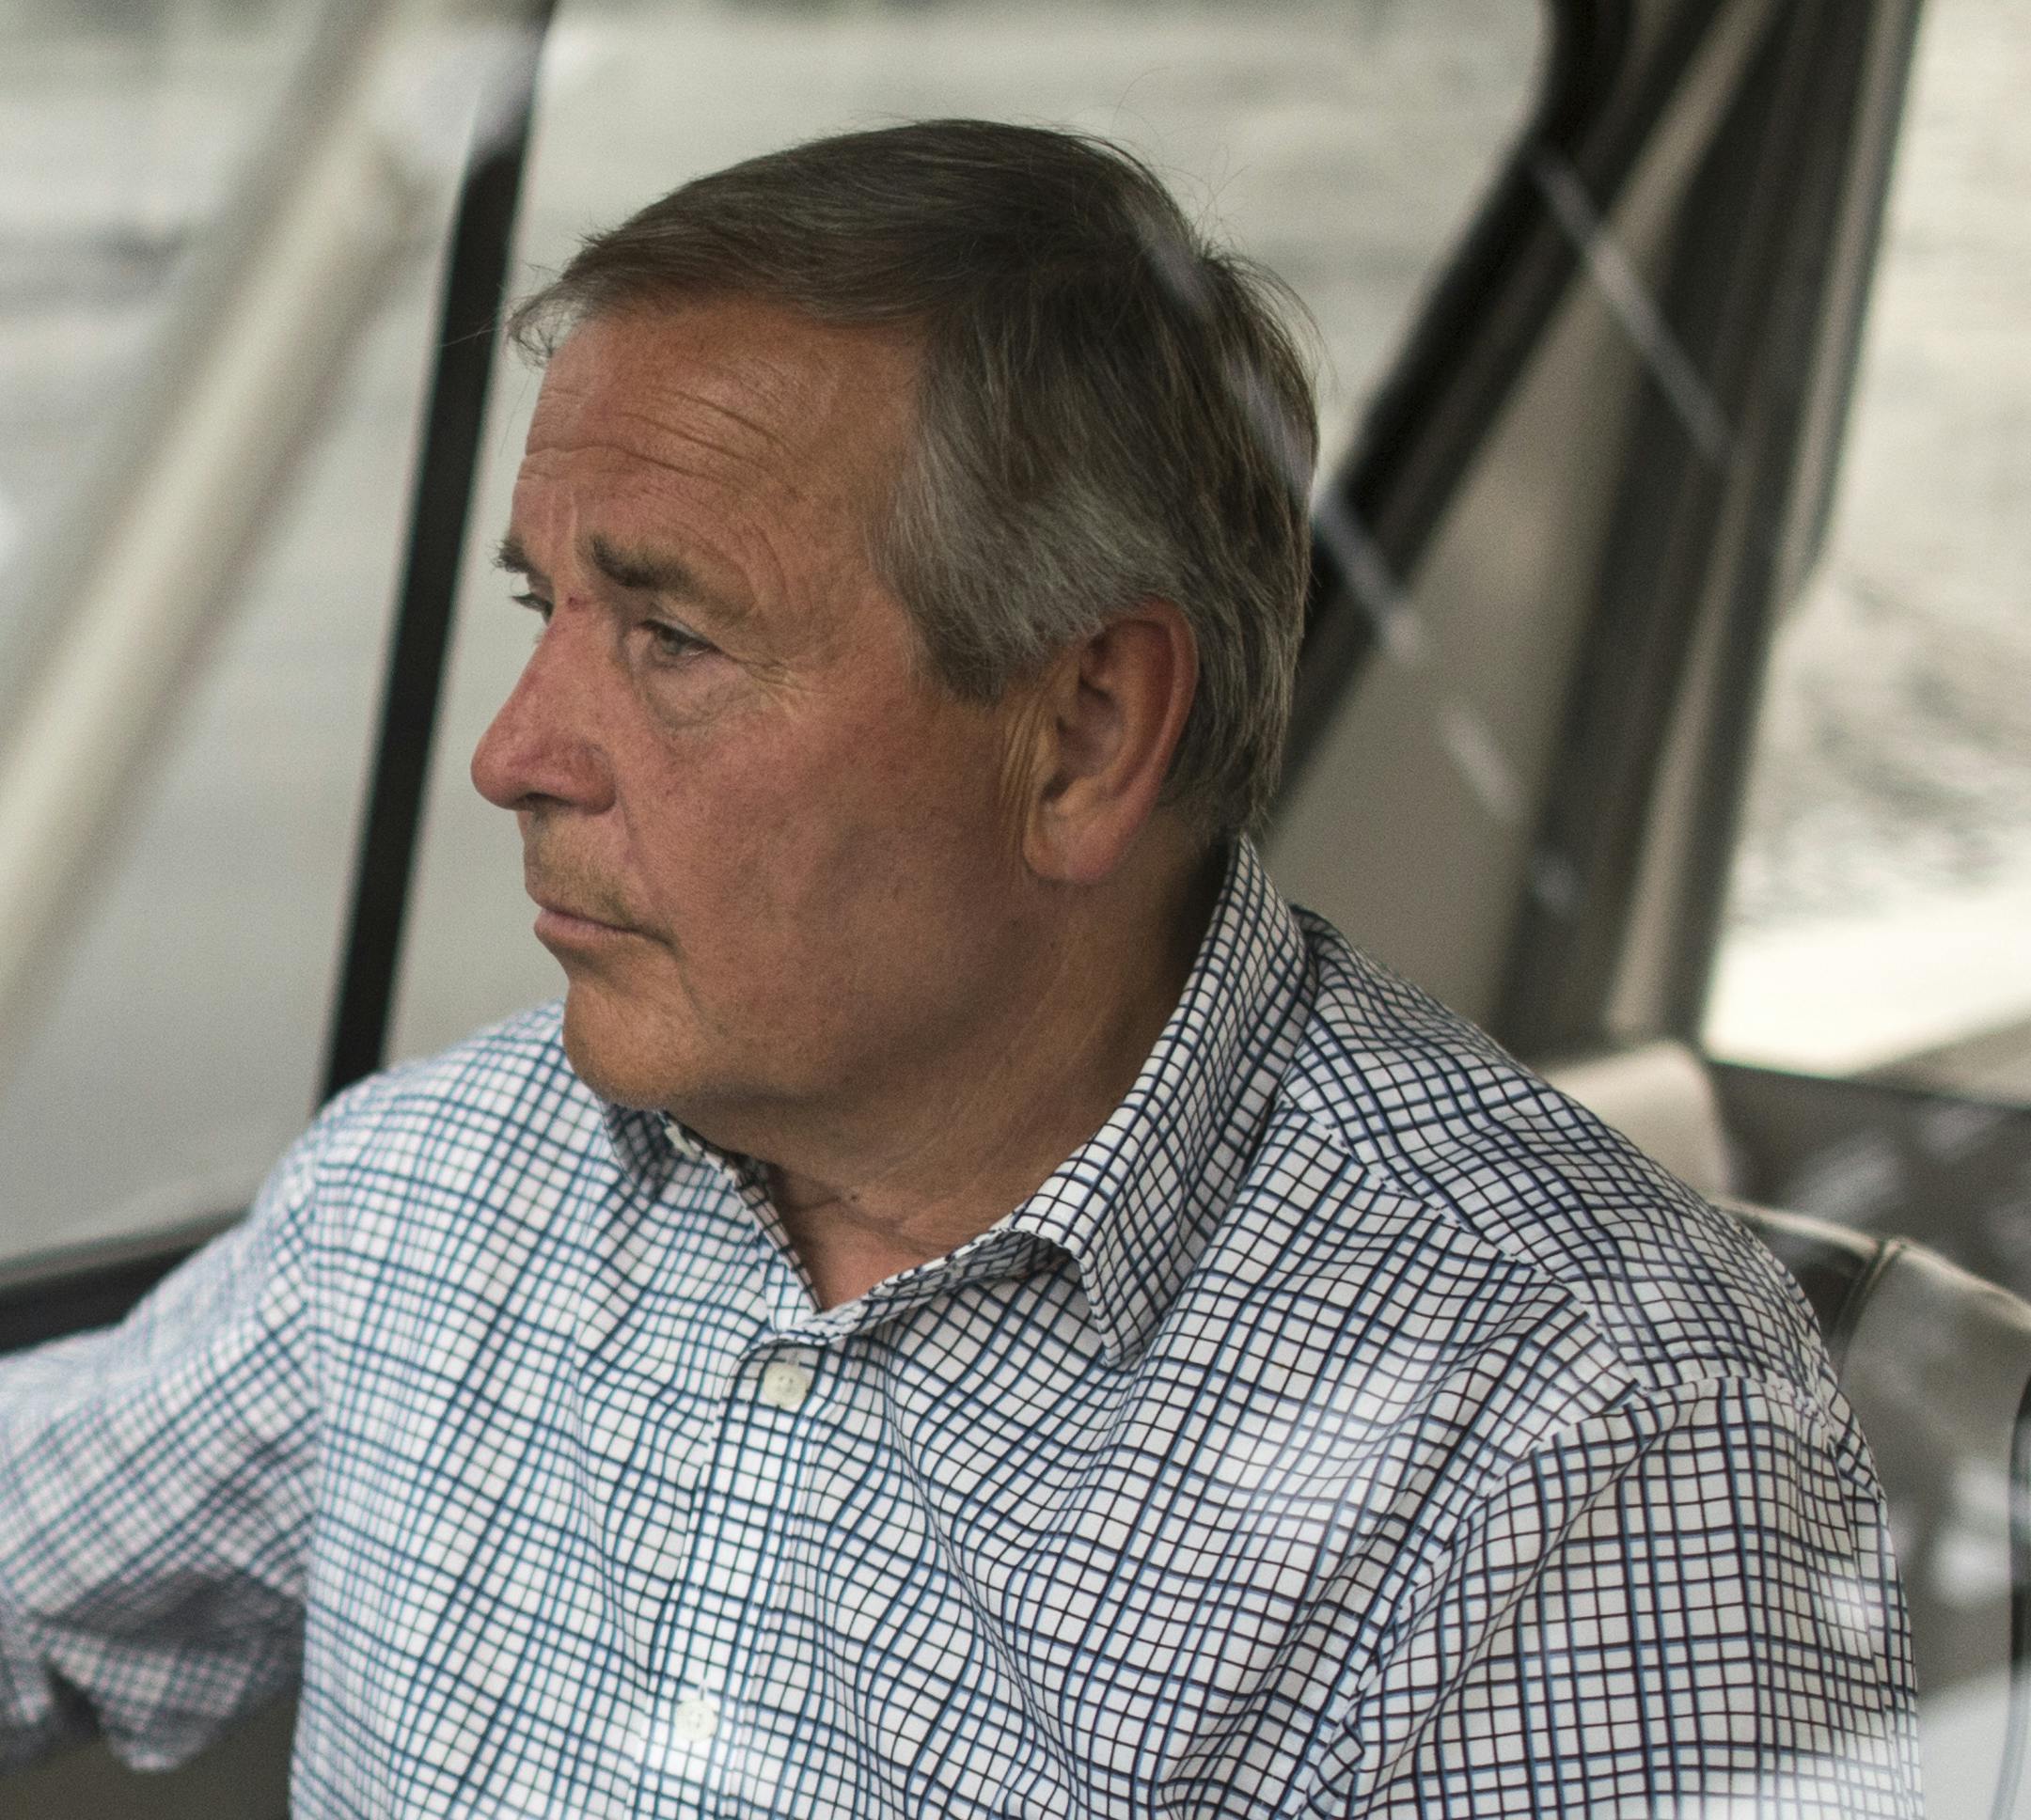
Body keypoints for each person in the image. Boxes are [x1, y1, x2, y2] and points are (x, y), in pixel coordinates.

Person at [0, 120, 1917, 1816]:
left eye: (667, 634)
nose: (513, 751)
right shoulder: (432, 1198)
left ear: (1083, 728)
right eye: (547, 605)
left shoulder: (1577, 1429)